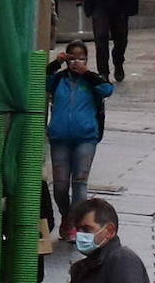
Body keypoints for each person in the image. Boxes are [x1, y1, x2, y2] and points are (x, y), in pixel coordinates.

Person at [47, 42, 113, 243]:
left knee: (80, 183)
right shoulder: (58, 79)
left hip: (85, 138)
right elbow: (40, 80)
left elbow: (107, 89)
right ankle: (67, 215)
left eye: (81, 58)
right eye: (72, 57)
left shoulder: (92, 81)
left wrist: (87, 73)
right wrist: (55, 64)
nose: (77, 62)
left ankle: (75, 224)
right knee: (59, 185)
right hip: (60, 138)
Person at [83, 0, 137, 82]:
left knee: (121, 39)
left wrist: (131, 6)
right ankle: (103, 72)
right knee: (100, 37)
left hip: (120, 3)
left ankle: (118, 61)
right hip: (99, 2)